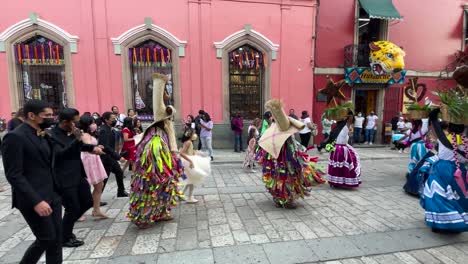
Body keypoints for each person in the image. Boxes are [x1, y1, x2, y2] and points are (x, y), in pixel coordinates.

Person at [1, 100, 62, 263]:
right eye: (47, 115)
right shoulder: (15, 137)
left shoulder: (43, 133)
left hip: (52, 195)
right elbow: (14, 175)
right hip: (33, 198)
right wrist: (36, 201)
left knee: (56, 240)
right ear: (31, 116)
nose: (51, 118)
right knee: (46, 238)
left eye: (52, 114)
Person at [128, 73, 190, 229]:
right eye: (170, 117)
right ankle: (143, 217)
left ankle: (161, 212)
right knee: (150, 188)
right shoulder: (155, 137)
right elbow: (154, 160)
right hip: (154, 168)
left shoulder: (163, 130)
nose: (171, 119)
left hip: (163, 167)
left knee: (164, 188)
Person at [256, 99, 326, 208]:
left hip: (286, 156)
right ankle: (283, 199)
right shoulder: (276, 130)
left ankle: (283, 198)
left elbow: (292, 146)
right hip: (281, 157)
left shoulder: (279, 130)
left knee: (285, 177)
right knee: (281, 177)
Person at [49, 108, 101, 248]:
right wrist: (76, 140)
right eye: (75, 122)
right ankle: (65, 237)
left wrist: (92, 148)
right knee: (72, 208)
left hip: (78, 174)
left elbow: (79, 147)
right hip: (64, 178)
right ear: (65, 122)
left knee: (88, 202)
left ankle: (64, 229)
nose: (76, 125)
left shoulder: (70, 133)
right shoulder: (51, 135)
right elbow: (60, 154)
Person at [421, 108, 468, 233]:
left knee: (437, 195)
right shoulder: (465, 141)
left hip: (442, 169)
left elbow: (433, 119)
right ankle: (456, 221)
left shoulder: (444, 138)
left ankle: (439, 222)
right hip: (460, 171)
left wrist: (437, 110)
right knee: (456, 196)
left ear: (449, 128)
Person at [321, 111, 361, 188]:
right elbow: (330, 137)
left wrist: (348, 112)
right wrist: (322, 145)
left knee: (342, 166)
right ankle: (335, 182)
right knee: (336, 166)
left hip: (343, 149)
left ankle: (342, 181)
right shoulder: (337, 127)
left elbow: (350, 118)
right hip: (336, 149)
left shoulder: (347, 124)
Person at [79, 115, 109, 219]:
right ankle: (79, 212)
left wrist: (97, 147)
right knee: (86, 187)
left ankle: (96, 209)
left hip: (95, 159)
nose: (94, 125)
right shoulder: (83, 134)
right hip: (87, 160)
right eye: (92, 123)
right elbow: (87, 148)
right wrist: (96, 149)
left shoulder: (90, 134)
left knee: (99, 185)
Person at [396, 118, 430, 196]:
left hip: (413, 146)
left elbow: (405, 137)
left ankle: (410, 174)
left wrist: (398, 141)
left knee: (413, 161)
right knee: (421, 161)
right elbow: (427, 139)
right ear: (421, 124)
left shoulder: (411, 130)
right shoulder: (424, 131)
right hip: (422, 146)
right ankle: (420, 175)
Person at [99, 111, 128, 197]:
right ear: (106, 120)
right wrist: (118, 157)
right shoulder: (104, 130)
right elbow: (106, 146)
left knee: (119, 172)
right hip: (106, 158)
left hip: (111, 157)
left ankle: (121, 192)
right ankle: (96, 198)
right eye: (112, 119)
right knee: (104, 179)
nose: (115, 120)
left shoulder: (110, 129)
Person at [179, 128, 210, 203]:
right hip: (188, 162)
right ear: (190, 135)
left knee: (190, 180)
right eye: (194, 133)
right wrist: (190, 161)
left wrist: (197, 153)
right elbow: (182, 153)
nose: (195, 135)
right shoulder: (188, 142)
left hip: (190, 161)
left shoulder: (189, 142)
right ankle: (189, 197)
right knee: (192, 180)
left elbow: (190, 151)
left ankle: (181, 193)